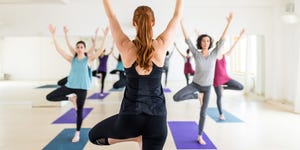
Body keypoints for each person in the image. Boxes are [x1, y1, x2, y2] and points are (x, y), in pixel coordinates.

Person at [89, 0, 183, 149]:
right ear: (153, 22)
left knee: (94, 136)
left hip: (129, 120)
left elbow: (111, 17)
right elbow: (177, 16)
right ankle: (139, 137)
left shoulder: (126, 47)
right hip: (157, 122)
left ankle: (135, 136)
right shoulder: (161, 45)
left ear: (134, 23)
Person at [173, 13, 233, 145]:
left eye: (207, 41)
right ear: (200, 43)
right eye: (203, 40)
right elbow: (187, 39)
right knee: (176, 97)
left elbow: (222, 39)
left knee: (203, 113)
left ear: (210, 43)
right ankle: (196, 96)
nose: (205, 42)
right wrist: (181, 22)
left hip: (207, 88)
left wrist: (229, 22)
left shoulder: (214, 54)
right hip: (195, 85)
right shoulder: (196, 53)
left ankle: (200, 136)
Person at [46, 24, 109, 143]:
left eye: (81, 47)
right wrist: (54, 35)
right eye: (78, 47)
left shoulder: (88, 60)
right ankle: (71, 99)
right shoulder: (72, 59)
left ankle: (77, 133)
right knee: (50, 97)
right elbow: (59, 50)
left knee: (79, 111)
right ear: (76, 49)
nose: (79, 48)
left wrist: (105, 36)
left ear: (84, 49)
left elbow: (100, 50)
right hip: (70, 86)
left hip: (82, 89)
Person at [213, 29, 245, 120]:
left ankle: (224, 88)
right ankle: (221, 114)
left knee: (240, 87)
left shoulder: (225, 55)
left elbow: (233, 47)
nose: (222, 48)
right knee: (219, 97)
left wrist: (239, 36)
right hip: (217, 80)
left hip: (226, 78)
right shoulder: (213, 57)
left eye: (222, 46)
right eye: (220, 46)